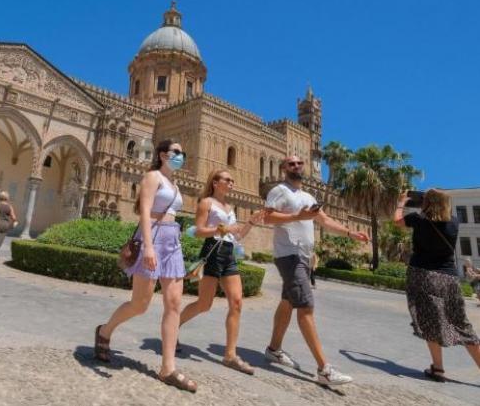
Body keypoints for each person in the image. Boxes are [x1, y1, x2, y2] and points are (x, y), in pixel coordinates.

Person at [94, 139, 197, 393]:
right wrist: (149, 247)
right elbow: (144, 211)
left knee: (174, 303)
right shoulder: (152, 177)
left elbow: (171, 213)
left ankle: (168, 368)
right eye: (176, 152)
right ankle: (104, 331)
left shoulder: (175, 184)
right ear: (162, 155)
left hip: (173, 239)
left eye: (182, 153)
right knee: (140, 304)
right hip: (151, 235)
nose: (180, 156)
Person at [263, 155, 368, 386]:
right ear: (283, 168)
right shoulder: (279, 191)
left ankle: (273, 349)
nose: (296, 166)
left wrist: (351, 233)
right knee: (306, 307)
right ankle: (324, 369)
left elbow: (325, 220)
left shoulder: (308, 196)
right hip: (290, 255)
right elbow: (267, 217)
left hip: (304, 256)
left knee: (288, 302)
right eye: (291, 163)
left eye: (300, 163)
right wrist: (296, 216)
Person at [178, 169, 264, 375]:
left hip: (229, 254)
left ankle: (230, 355)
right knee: (204, 304)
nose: (231, 183)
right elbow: (198, 231)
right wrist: (220, 230)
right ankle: (172, 329)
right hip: (212, 252)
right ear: (215, 183)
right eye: (227, 180)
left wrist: (250, 222)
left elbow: (238, 236)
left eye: (233, 180)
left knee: (236, 303)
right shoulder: (206, 203)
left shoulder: (229, 207)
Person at [394, 189, 480, 382]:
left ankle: (438, 368)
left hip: (422, 275)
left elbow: (397, 221)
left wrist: (402, 202)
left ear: (427, 203)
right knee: (462, 323)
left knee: (429, 320)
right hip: (449, 278)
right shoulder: (454, 222)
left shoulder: (418, 219)